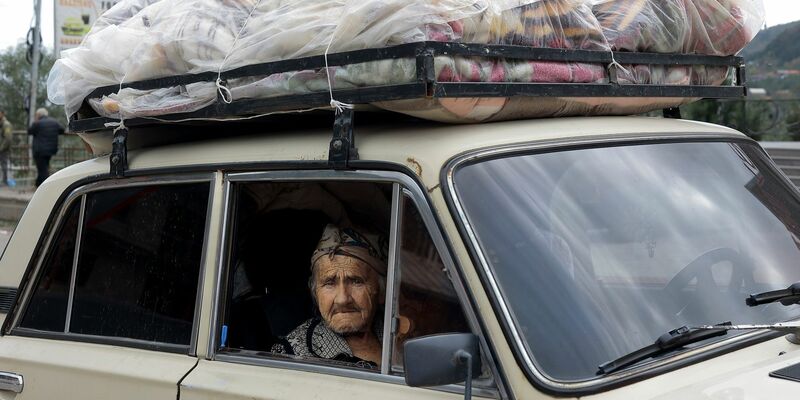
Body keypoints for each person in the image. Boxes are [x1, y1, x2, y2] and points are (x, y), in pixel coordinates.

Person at [271, 224, 387, 369]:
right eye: (329, 283)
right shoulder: (291, 355)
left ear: (381, 291)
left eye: (356, 281)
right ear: (315, 293)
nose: (343, 299)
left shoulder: (399, 332)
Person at [28, 108, 64, 186]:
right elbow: (62, 130)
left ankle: (46, 186)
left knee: (42, 170)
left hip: (39, 151)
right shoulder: (54, 122)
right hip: (51, 150)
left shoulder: (37, 123)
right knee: (43, 168)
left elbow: (29, 131)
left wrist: (35, 121)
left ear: (38, 115)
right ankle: (37, 185)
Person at [0, 110, 12, 185]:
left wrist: (1, 148)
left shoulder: (6, 124)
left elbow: (8, 138)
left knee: (4, 165)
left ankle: (5, 181)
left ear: (2, 114)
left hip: (3, 149)